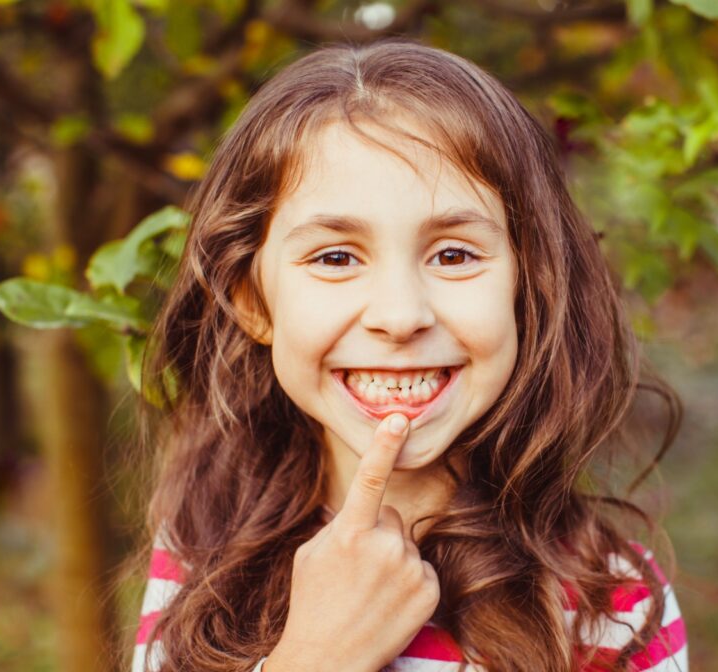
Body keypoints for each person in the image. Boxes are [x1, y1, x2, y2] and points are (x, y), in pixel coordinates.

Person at [130, 38, 688, 672]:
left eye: (453, 255)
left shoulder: (609, 604)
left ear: (527, 291)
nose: (399, 317)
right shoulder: (203, 547)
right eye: (336, 258)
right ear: (254, 304)